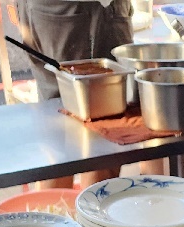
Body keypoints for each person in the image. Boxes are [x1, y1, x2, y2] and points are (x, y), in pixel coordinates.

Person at [14, 0, 136, 187]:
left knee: (57, 123)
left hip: (45, 10)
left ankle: (55, 213)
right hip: (81, 9)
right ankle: (88, 213)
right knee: (102, 125)